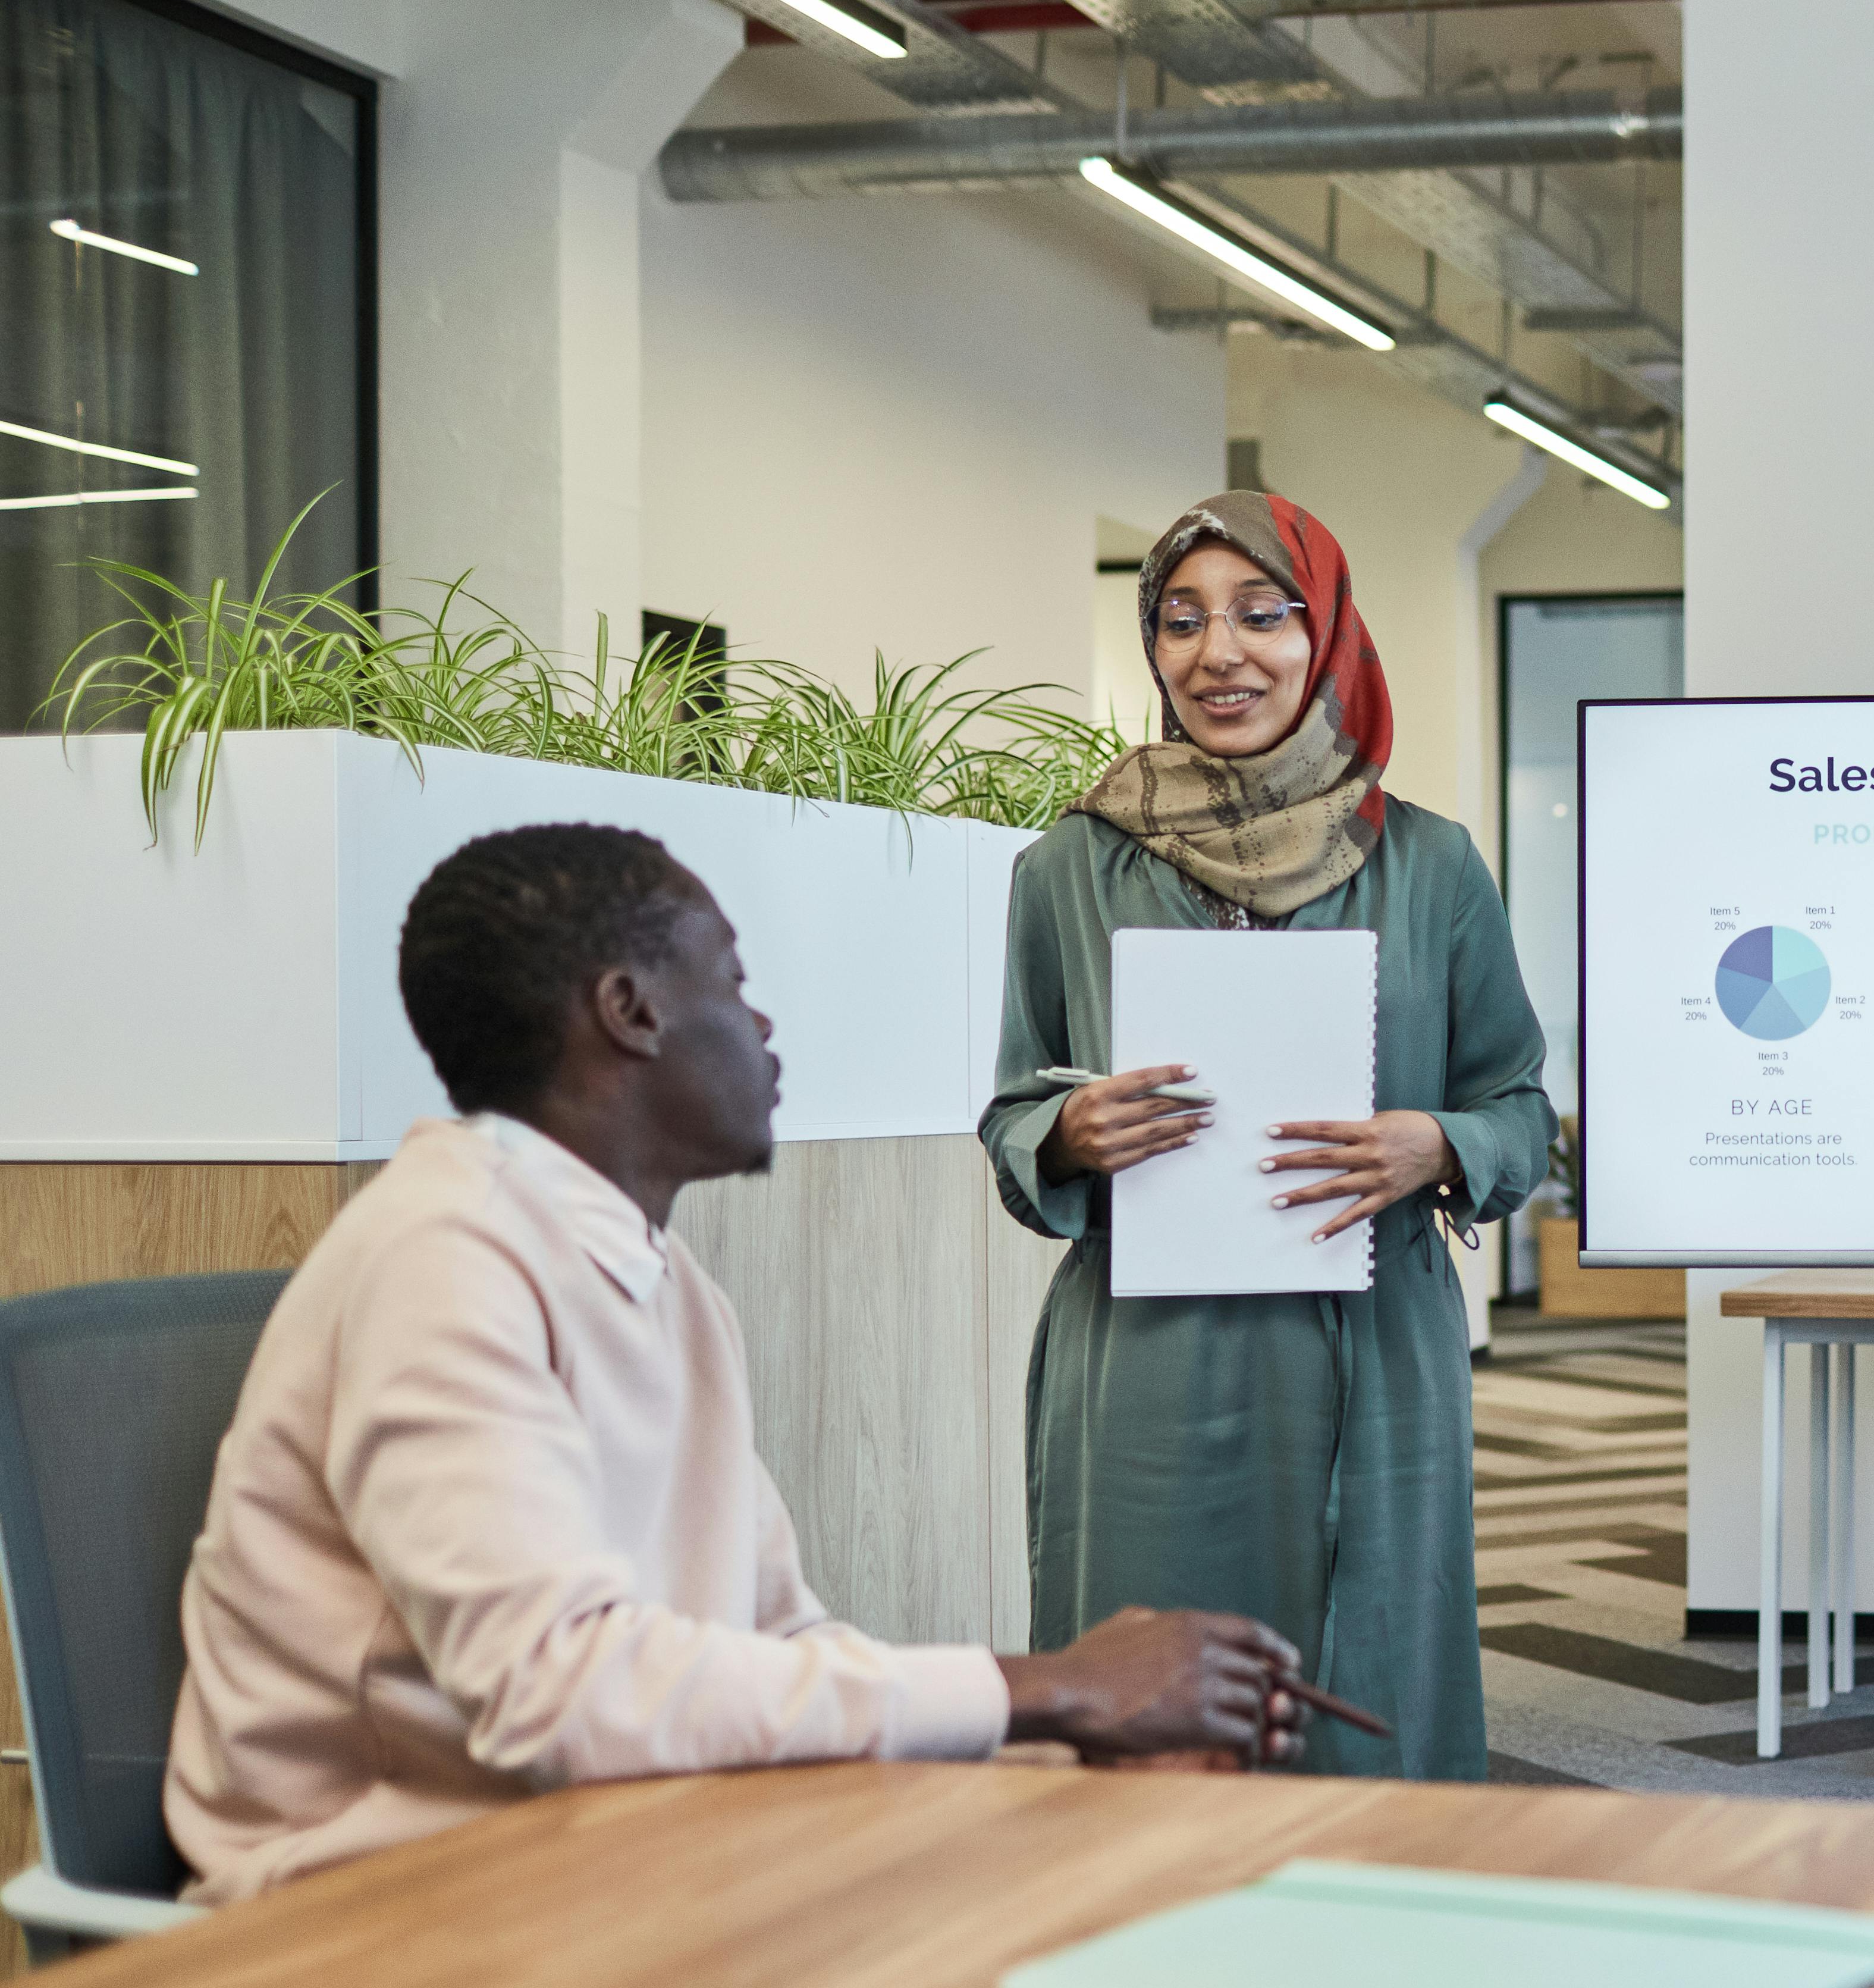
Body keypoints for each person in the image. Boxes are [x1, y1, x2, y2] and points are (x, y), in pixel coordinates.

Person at [166, 824, 1306, 1908]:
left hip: (622, 1854)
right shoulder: (442, 1258)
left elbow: (778, 1646)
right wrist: (1054, 1685)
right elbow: (560, 1694)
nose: (763, 1027)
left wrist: (1072, 1739)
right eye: (736, 981)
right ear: (631, 1011)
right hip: (376, 1907)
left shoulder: (665, 1279)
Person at [982, 491, 1550, 1780]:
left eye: (1260, 613)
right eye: (1180, 621)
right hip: (1149, 1358)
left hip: (1372, 1345)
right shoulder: (1070, 866)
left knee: (1371, 1678)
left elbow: (1521, 1106)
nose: (1217, 653)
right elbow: (1014, 1112)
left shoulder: (1432, 865)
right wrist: (1065, 1131)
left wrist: (1438, 1145)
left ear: (1325, 633)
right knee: (1146, 1690)